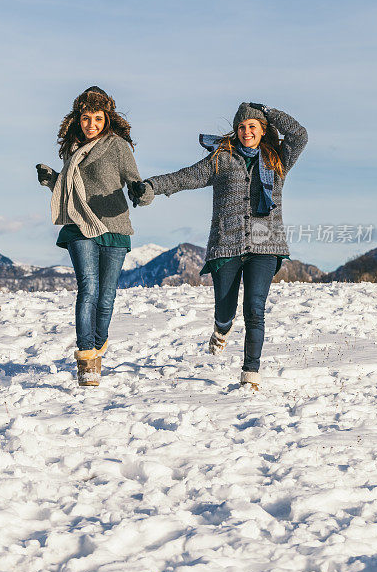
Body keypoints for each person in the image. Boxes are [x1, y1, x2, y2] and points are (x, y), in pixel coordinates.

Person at [129, 102, 308, 391]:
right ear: (235, 131)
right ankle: (221, 329)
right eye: (241, 127)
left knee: (255, 309)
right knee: (225, 310)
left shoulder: (277, 160)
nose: (246, 131)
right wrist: (151, 186)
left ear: (263, 130)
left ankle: (251, 373)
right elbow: (184, 177)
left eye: (252, 126)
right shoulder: (222, 159)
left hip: (265, 241)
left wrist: (268, 111)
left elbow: (299, 135)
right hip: (227, 243)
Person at [36, 86, 152, 386]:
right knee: (88, 287)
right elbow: (70, 190)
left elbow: (137, 184)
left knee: (106, 295)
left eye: (97, 119)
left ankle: (99, 344)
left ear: (107, 118)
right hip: (79, 224)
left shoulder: (118, 146)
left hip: (113, 225)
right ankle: (87, 357)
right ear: (78, 119)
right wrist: (52, 180)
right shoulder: (72, 149)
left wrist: (142, 193)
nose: (91, 125)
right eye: (86, 118)